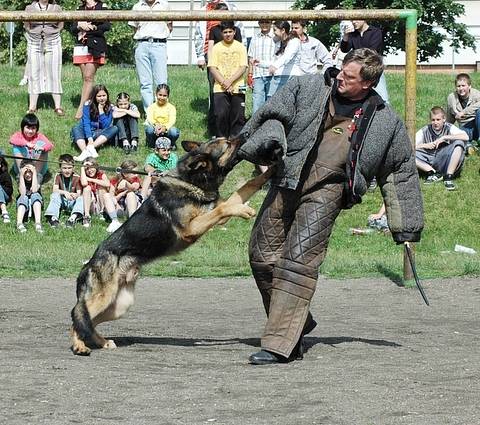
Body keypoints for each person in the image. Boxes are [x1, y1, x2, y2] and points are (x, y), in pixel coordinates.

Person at [237, 48, 424, 364]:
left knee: (297, 262)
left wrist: (405, 225)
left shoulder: (384, 120)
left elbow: (400, 171)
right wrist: (267, 143)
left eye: (349, 77)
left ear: (366, 83)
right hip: (288, 177)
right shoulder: (307, 87)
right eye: (341, 70)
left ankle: (282, 344)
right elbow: (273, 115)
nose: (340, 77)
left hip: (328, 192)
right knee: (261, 256)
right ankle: (298, 321)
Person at [193, 0, 244, 137]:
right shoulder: (210, 23)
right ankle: (216, 131)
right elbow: (200, 37)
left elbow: (241, 47)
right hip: (217, 65)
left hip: (235, 68)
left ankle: (234, 134)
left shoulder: (233, 10)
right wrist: (205, 60)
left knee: (237, 103)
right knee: (216, 98)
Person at [128, 0, 172, 112]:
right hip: (142, 44)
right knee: (145, 82)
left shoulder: (164, 5)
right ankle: (149, 113)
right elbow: (134, 27)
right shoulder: (137, 6)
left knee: (161, 80)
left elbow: (170, 25)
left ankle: (162, 111)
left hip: (159, 43)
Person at [208, 21, 248, 138]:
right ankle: (221, 139)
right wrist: (224, 83)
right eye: (225, 32)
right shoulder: (216, 48)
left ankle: (235, 140)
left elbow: (243, 67)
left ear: (234, 32)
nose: (228, 34)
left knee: (238, 115)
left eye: (230, 31)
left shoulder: (240, 47)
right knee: (220, 114)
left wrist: (230, 81)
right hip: (220, 86)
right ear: (221, 33)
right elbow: (212, 68)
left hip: (239, 85)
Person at [23, 0, 64, 116]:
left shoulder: (56, 8)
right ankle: (32, 107)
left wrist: (53, 32)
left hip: (53, 41)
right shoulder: (29, 8)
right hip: (34, 41)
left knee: (54, 72)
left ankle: (57, 106)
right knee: (34, 72)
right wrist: (32, 32)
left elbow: (61, 24)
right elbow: (26, 24)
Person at [72, 0, 111, 120]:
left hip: (95, 45)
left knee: (89, 77)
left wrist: (90, 28)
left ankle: (81, 108)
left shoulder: (102, 7)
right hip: (80, 46)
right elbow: (72, 28)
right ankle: (90, 105)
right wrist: (79, 26)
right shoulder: (79, 9)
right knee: (85, 78)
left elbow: (106, 26)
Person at [416, 106, 469, 191]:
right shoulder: (425, 130)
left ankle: (448, 177)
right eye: (433, 120)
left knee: (459, 143)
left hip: (445, 159)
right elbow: (409, 145)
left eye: (438, 119)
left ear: (444, 119)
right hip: (429, 159)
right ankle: (433, 173)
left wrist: (444, 137)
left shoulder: (449, 127)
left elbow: (466, 137)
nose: (435, 122)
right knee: (408, 153)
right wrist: (424, 145)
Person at [340, 20, 389, 103]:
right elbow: (344, 49)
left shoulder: (375, 32)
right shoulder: (352, 34)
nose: (354, 22)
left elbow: (372, 51)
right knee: (358, 96)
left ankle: (386, 114)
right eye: (352, 20)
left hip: (373, 69)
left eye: (356, 20)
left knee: (383, 97)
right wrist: (345, 35)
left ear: (364, 20)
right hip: (358, 71)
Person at [71, 84, 118, 162]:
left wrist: (101, 110)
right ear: (94, 96)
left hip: (99, 133)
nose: (102, 98)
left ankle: (90, 148)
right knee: (76, 128)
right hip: (87, 131)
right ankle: (85, 151)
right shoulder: (87, 105)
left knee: (114, 128)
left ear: (107, 95)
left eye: (104, 95)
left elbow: (106, 125)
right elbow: (86, 123)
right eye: (99, 96)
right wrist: (89, 138)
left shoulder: (110, 106)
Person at [255, 21, 302, 99]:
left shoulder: (294, 42)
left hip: (290, 77)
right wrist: (260, 63)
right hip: (278, 78)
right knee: (271, 101)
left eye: (275, 30)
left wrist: (275, 66)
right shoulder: (279, 43)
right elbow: (276, 61)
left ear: (283, 30)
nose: (273, 33)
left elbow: (287, 57)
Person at [10, 113, 54, 183]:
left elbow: (50, 145)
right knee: (16, 146)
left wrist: (42, 148)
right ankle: (22, 173)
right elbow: (12, 140)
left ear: (37, 129)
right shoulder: (18, 135)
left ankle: (36, 176)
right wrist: (26, 144)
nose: (30, 131)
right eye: (28, 128)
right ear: (23, 127)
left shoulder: (39, 136)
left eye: (33, 128)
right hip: (22, 166)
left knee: (44, 150)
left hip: (38, 168)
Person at [80, 157, 121, 231]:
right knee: (86, 188)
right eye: (87, 169)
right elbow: (84, 183)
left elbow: (107, 184)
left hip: (101, 204)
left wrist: (91, 179)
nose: (89, 170)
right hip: (92, 205)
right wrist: (82, 168)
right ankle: (86, 216)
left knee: (101, 188)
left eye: (91, 167)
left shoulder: (101, 175)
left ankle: (102, 213)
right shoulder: (84, 176)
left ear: (96, 166)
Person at [45, 154, 84, 228]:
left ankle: (73, 218)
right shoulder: (58, 175)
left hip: (72, 201)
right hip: (62, 201)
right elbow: (55, 190)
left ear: (73, 168)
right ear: (60, 168)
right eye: (64, 168)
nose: (67, 170)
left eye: (69, 168)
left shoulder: (77, 177)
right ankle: (53, 218)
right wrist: (65, 192)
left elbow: (79, 193)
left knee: (81, 198)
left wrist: (74, 195)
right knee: (54, 195)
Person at [446, 73, 480, 152]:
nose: (461, 88)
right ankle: (469, 147)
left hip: (477, 125)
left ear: (469, 86)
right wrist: (444, 131)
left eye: (463, 85)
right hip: (465, 126)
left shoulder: (476, 94)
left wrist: (463, 112)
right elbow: (449, 117)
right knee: (458, 137)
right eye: (458, 86)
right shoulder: (451, 97)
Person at [247, 20, 275, 114]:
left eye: (267, 22)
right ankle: (256, 125)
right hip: (258, 74)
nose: (264, 25)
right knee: (257, 102)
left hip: (272, 74)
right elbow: (251, 57)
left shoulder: (275, 38)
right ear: (258, 24)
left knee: (271, 102)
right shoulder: (254, 38)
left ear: (271, 23)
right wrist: (250, 74)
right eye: (262, 22)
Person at [144, 84, 180, 149]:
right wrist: (156, 126)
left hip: (166, 130)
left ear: (168, 96)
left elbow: (172, 120)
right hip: (155, 129)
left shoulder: (171, 107)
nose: (162, 97)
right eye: (160, 95)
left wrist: (164, 128)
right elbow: (150, 118)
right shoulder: (151, 107)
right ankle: (152, 144)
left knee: (174, 131)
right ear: (156, 94)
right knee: (149, 129)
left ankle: (170, 144)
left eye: (164, 95)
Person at [16, 160, 44, 233]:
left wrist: (34, 173)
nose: (28, 174)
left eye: (30, 172)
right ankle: (19, 223)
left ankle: (38, 223)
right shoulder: (19, 177)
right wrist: (21, 176)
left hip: (35, 203)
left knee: (35, 195)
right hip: (23, 204)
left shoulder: (38, 176)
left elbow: (34, 190)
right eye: (25, 172)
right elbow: (22, 193)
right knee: (23, 197)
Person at [0, 154, 13, 224]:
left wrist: (1, 189)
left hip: (5, 195)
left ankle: (5, 212)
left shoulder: (5, 174)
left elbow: (10, 190)